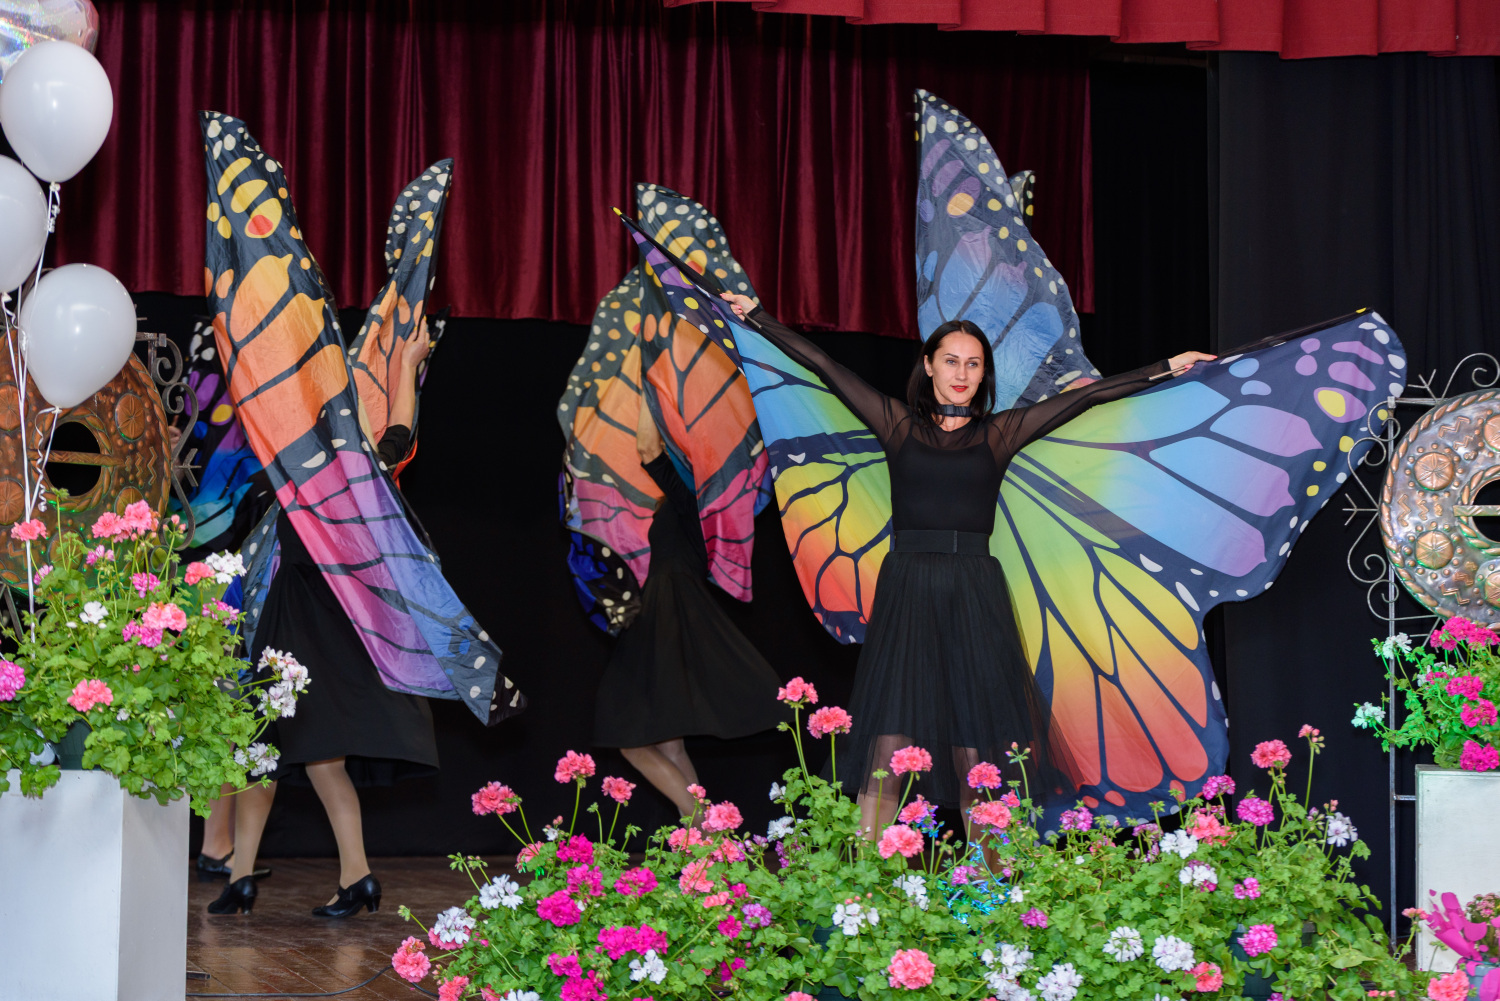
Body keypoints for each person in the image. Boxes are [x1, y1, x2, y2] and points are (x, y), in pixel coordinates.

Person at [718, 292, 1214, 837]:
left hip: (974, 593)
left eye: (973, 364)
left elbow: (1090, 397)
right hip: (909, 591)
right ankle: (861, 881)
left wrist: (1169, 366)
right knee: (888, 746)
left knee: (977, 757)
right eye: (951, 361)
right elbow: (823, 364)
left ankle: (985, 883)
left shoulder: (999, 435)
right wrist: (756, 316)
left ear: (984, 374)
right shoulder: (897, 425)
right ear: (929, 365)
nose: (962, 373)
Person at [208, 324, 439, 917]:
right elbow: (399, 435)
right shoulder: (339, 471)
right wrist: (409, 365)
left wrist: (409, 364)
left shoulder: (301, 471)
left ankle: (264, 875)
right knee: (296, 754)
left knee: (279, 749)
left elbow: (397, 437)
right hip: (320, 621)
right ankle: (293, 875)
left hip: (299, 623)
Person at [592, 394, 785, 819]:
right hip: (668, 606)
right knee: (668, 743)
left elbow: (648, 449)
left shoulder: (697, 497)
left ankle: (698, 819)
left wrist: (649, 386)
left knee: (627, 734)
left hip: (670, 609)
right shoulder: (697, 498)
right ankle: (705, 833)